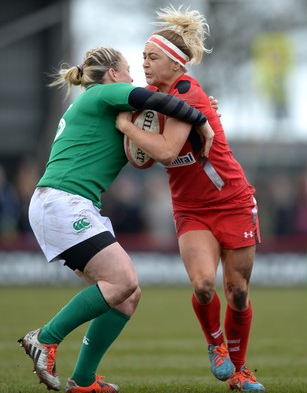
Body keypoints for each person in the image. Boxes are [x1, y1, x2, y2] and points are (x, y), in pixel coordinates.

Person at [17, 46, 214, 393]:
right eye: (128, 70)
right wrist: (202, 117)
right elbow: (165, 102)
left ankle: (83, 381)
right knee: (122, 279)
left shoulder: (105, 102)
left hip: (66, 203)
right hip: (63, 202)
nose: (133, 78)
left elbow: (164, 112)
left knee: (126, 295)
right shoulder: (107, 92)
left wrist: (195, 106)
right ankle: (45, 339)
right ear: (111, 74)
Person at [116, 6, 265, 392]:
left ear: (175, 63)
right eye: (143, 57)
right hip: (192, 208)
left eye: (152, 58)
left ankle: (241, 371)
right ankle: (216, 347)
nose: (144, 64)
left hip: (232, 200)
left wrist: (125, 125)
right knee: (202, 285)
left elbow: (165, 152)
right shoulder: (150, 98)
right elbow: (147, 157)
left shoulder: (189, 93)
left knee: (238, 292)